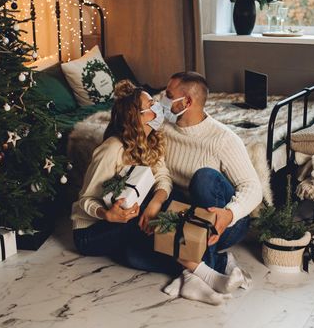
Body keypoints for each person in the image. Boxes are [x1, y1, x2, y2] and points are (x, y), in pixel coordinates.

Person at [127, 71, 263, 305]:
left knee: (204, 178)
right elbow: (163, 175)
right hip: (183, 219)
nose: (161, 100)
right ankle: (214, 266)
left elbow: (253, 187)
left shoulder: (222, 139)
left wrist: (230, 214)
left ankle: (193, 275)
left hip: (223, 221)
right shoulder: (163, 129)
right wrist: (157, 202)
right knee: (132, 255)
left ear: (186, 102)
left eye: (168, 95)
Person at [70, 80, 171, 260]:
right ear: (136, 117)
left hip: (125, 217)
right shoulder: (112, 149)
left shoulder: (151, 139)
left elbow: (162, 176)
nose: (157, 107)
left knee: (169, 203)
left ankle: (190, 260)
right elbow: (85, 199)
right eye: (151, 105)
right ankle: (193, 268)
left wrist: (157, 202)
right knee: (150, 227)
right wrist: (107, 215)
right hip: (91, 232)